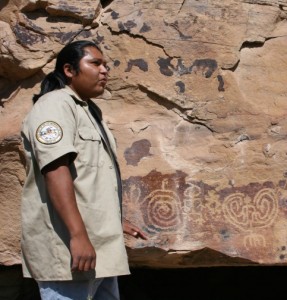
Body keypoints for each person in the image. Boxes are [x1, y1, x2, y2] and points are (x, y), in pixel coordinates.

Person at [21, 40, 147, 300]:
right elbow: (56, 170)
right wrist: (78, 236)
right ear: (69, 70)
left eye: (106, 65)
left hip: (100, 246)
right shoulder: (54, 106)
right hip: (71, 252)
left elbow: (90, 178)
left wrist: (114, 221)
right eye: (95, 63)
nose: (104, 71)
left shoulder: (89, 111)